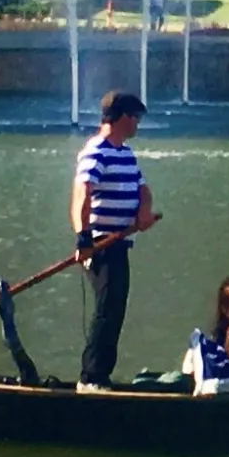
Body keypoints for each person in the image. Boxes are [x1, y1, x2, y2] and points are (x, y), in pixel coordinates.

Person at [71, 90, 155, 390]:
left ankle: (102, 374)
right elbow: (82, 194)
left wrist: (143, 211)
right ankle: (90, 377)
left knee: (115, 308)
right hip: (99, 245)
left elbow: (144, 190)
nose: (137, 124)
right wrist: (83, 238)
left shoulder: (126, 153)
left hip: (119, 245)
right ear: (122, 117)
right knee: (106, 309)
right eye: (136, 118)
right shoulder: (96, 150)